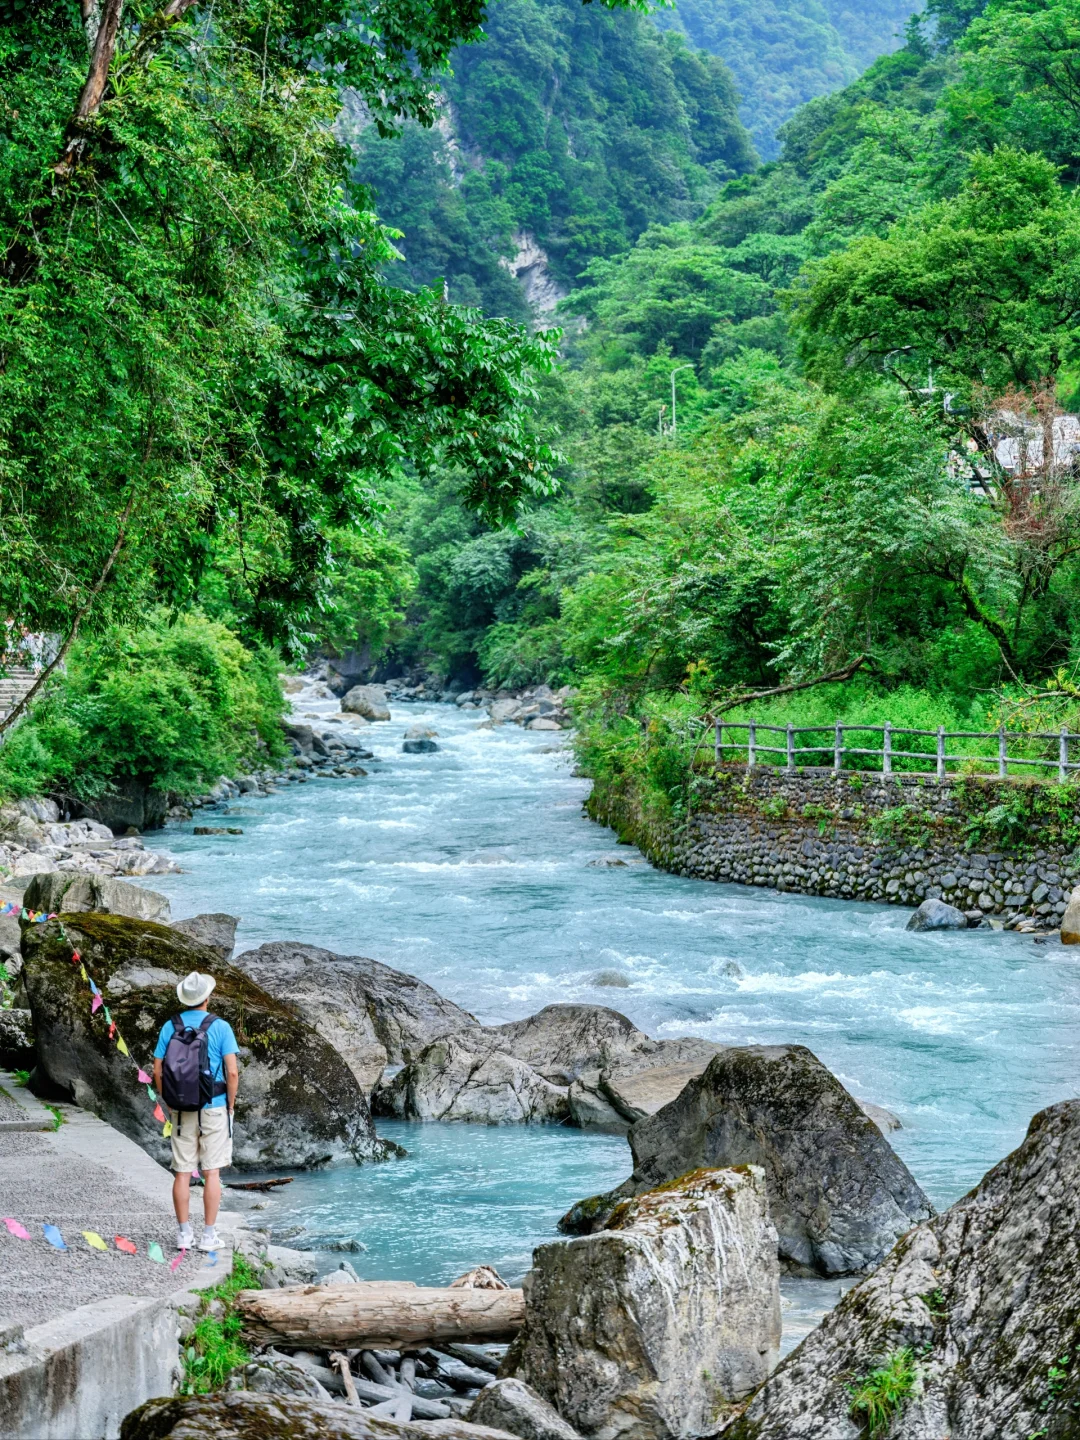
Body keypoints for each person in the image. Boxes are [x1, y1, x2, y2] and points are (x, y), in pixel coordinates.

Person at [152, 970, 239, 1251]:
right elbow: (233, 1072)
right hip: (214, 1106)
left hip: (180, 1106)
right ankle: (209, 1236)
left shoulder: (171, 1026)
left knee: (182, 1172)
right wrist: (230, 1105)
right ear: (207, 997)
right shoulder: (221, 1027)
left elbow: (157, 1068)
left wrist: (168, 1100)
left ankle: (183, 1234)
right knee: (212, 1172)